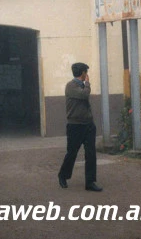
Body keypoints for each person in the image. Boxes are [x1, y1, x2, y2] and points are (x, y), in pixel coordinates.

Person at [58, 62, 103, 192]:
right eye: (86, 72)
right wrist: (88, 84)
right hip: (75, 126)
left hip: (88, 125)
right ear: (82, 73)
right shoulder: (70, 86)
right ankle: (63, 175)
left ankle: (90, 182)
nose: (87, 74)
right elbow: (84, 95)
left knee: (91, 154)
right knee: (72, 153)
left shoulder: (81, 86)